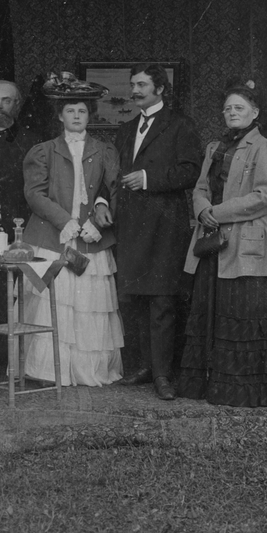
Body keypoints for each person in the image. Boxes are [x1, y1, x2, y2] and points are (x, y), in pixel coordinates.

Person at [177, 79, 267, 407]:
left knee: (243, 317)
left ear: (255, 113)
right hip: (213, 242)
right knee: (212, 313)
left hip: (248, 247)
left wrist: (215, 212)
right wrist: (202, 209)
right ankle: (210, 387)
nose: (232, 112)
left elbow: (265, 197)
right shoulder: (214, 148)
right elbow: (200, 188)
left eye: (239, 108)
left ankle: (246, 392)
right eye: (228, 108)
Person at [21, 96, 124, 386]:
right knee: (54, 301)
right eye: (70, 111)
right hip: (53, 236)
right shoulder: (43, 151)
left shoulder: (105, 150)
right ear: (60, 116)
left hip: (92, 237)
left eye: (82, 111)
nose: (76, 116)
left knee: (90, 304)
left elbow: (115, 189)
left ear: (90, 116)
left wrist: (98, 222)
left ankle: (85, 369)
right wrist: (64, 220)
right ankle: (47, 370)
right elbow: (34, 193)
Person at [113, 62, 201, 401]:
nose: (135, 91)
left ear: (160, 89)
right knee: (134, 299)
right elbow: (117, 174)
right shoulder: (126, 129)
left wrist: (148, 179)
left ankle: (164, 374)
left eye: (142, 85)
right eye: (133, 84)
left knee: (163, 300)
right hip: (131, 224)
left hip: (165, 225)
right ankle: (145, 367)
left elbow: (190, 172)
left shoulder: (180, 125)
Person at [0, 80, 43, 323]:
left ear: (17, 105)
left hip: (17, 225)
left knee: (11, 292)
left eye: (6, 100)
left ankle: (10, 344)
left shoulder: (32, 142)